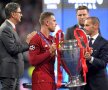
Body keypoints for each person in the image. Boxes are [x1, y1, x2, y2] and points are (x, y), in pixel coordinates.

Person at [0, 2, 36, 90]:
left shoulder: (11, 28)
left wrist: (31, 45)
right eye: (19, 12)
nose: (21, 14)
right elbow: (13, 49)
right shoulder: (5, 28)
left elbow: (16, 47)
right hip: (9, 72)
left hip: (14, 72)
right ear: (13, 14)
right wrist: (28, 43)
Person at [29, 12, 57, 90]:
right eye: (54, 20)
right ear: (47, 23)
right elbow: (33, 61)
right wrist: (49, 51)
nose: (56, 23)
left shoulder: (52, 39)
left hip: (51, 79)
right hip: (41, 80)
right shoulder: (36, 39)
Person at [84, 17, 108, 90]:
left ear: (96, 26)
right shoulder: (83, 42)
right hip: (85, 85)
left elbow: (103, 63)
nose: (84, 27)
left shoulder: (104, 43)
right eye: (84, 25)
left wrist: (90, 58)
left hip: (98, 85)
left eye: (87, 25)